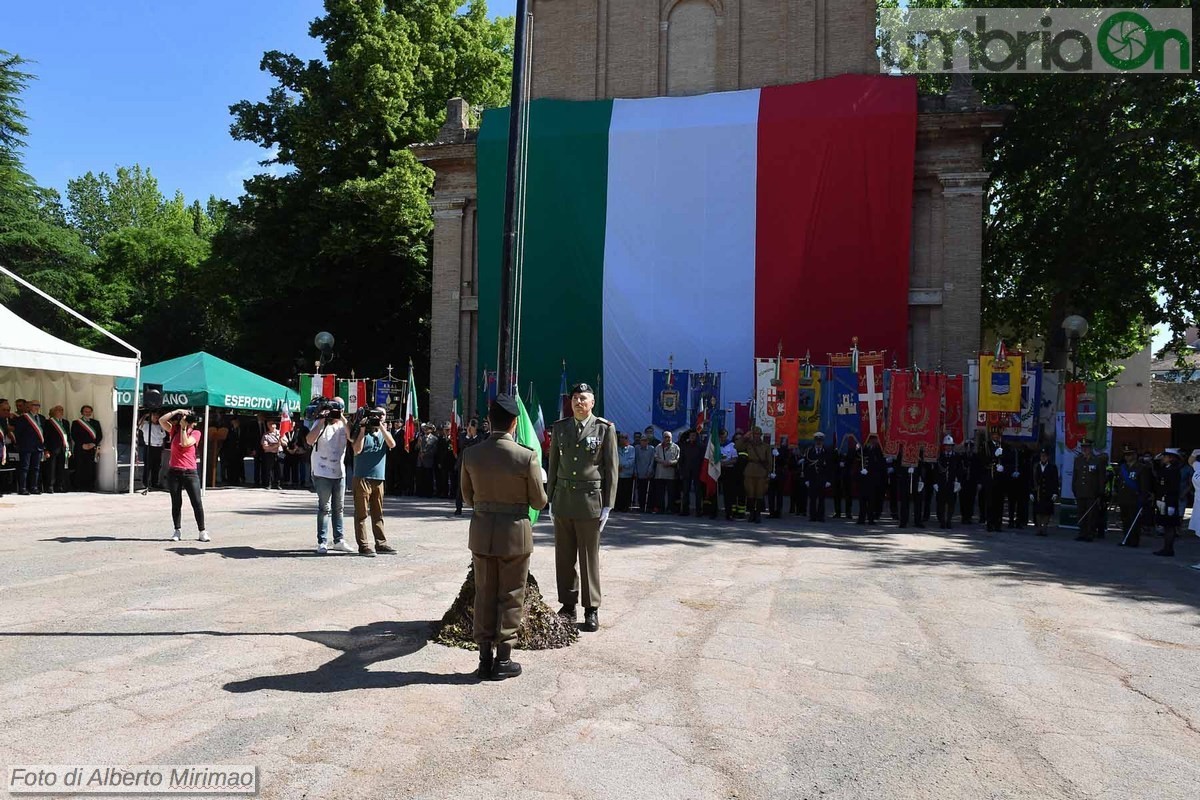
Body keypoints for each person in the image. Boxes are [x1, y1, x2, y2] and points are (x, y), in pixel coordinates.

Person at [461, 395, 549, 680]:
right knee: (511, 595)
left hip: (483, 532)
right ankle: (504, 659)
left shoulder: (471, 454)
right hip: (515, 534)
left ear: (489, 421)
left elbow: (467, 497)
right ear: (515, 423)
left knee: (484, 592)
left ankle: (484, 658)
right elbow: (539, 502)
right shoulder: (526, 456)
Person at [547, 383, 617, 633]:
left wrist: (608, 504)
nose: (578, 402)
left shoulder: (604, 428)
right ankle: (567, 605)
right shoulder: (560, 428)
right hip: (564, 499)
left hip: (590, 502)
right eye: (575, 398)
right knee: (564, 558)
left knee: (589, 558)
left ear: (592, 402)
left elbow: (611, 469)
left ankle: (591, 609)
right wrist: (550, 498)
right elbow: (553, 463)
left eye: (583, 399)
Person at [306, 398, 355, 554]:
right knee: (324, 508)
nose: (334, 411)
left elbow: (352, 437)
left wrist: (341, 416)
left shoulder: (343, 424)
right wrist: (321, 418)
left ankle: (339, 540)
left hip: (339, 472)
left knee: (339, 508)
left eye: (339, 407)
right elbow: (309, 440)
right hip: (321, 472)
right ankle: (322, 541)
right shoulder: (320, 423)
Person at [351, 407, 397, 557]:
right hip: (362, 477)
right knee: (361, 514)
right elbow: (357, 450)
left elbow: (392, 444)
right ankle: (363, 545)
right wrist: (363, 430)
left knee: (378, 513)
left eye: (382, 415)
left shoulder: (384, 432)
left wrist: (381, 427)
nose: (380, 417)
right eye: (377, 415)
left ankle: (381, 543)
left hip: (378, 478)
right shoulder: (362, 431)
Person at [159, 409, 208, 542]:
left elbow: (185, 443)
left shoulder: (196, 433)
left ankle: (202, 531)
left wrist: (183, 428)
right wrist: (177, 411)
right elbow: (161, 420)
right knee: (176, 503)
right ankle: (177, 530)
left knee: (197, 502)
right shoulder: (174, 430)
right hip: (174, 471)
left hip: (190, 472)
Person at [1115, 444, 1150, 547]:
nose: (1127, 457)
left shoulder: (1141, 468)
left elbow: (1144, 485)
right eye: (1125, 455)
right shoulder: (1123, 467)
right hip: (1123, 497)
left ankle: (1134, 541)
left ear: (1135, 455)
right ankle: (1126, 538)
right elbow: (1119, 482)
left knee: (1134, 520)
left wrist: (1143, 498)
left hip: (1135, 498)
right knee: (1125, 520)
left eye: (1129, 454)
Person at [1072, 438, 1106, 542]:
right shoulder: (1078, 460)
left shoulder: (1097, 460)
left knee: (1091, 515)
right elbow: (1075, 476)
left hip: (1092, 492)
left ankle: (1090, 533)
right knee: (1081, 513)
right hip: (1080, 491)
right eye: (1083, 447)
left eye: (1086, 447)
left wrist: (1100, 492)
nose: (1084, 449)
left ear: (1091, 448)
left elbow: (1101, 478)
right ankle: (1082, 533)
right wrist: (1074, 489)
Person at [1153, 448, 1183, 557]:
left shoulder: (1174, 470)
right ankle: (1166, 548)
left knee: (1170, 526)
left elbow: (1174, 488)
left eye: (1165, 456)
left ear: (1171, 458)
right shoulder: (1165, 468)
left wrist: (1170, 503)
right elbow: (1156, 468)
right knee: (1165, 525)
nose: (1163, 458)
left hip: (1169, 501)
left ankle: (1169, 549)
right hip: (1162, 500)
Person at [983, 430, 1013, 533]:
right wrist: (994, 456)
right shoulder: (986, 446)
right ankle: (990, 523)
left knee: (999, 502)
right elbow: (983, 461)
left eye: (998, 435)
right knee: (990, 502)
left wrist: (1004, 467)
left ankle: (998, 524)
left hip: (1001, 479)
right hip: (991, 478)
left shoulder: (1005, 446)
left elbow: (1009, 461)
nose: (996, 436)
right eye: (994, 435)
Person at [14, 399, 45, 495]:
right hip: (26, 447)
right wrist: (20, 444)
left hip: (38, 447)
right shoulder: (23, 418)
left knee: (36, 468)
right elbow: (18, 433)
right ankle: (23, 488)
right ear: (29, 406)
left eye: (38, 405)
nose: (36, 407)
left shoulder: (42, 418)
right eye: (34, 405)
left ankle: (34, 487)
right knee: (24, 468)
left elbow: (44, 433)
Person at [740, 426, 771, 524]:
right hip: (750, 470)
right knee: (750, 494)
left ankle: (758, 515)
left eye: (758, 434)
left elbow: (769, 461)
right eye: (755, 434)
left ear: (761, 435)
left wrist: (769, 473)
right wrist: (744, 438)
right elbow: (737, 447)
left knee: (759, 494)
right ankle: (751, 514)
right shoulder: (748, 444)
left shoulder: (766, 446)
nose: (756, 436)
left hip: (761, 471)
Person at [455, 418, 484, 515]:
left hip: (475, 465)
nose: (471, 428)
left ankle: (475, 508)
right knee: (460, 486)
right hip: (462, 464)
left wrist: (474, 434)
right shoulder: (463, 435)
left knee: (475, 486)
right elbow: (461, 445)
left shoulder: (480, 436)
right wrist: (468, 435)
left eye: (473, 426)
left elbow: (479, 446)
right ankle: (458, 508)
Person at [70, 405, 103, 491]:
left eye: (89, 412)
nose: (88, 413)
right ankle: (78, 486)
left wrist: (93, 444)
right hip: (80, 449)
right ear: (82, 413)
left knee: (91, 468)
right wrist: (82, 445)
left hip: (92, 448)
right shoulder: (76, 423)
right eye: (86, 411)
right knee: (79, 467)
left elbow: (99, 435)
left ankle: (90, 486)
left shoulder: (96, 423)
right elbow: (74, 435)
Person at [856, 433, 886, 525]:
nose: (874, 441)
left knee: (872, 500)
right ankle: (861, 518)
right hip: (863, 478)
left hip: (872, 478)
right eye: (872, 439)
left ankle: (871, 519)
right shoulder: (863, 449)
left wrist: (869, 470)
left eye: (875, 439)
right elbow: (858, 458)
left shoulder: (879, 450)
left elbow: (880, 464)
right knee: (862, 499)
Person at [933, 436, 962, 529]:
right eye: (947, 445)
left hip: (952, 483)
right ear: (944, 446)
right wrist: (935, 482)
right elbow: (936, 471)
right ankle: (942, 520)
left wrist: (959, 482)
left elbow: (959, 470)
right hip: (941, 484)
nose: (948, 447)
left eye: (950, 445)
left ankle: (949, 520)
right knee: (940, 503)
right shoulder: (940, 457)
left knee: (951, 503)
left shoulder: (957, 457)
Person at [41, 405, 71, 494]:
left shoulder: (66, 422)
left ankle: (59, 485)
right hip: (52, 449)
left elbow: (68, 436)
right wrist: (45, 449)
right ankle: (50, 486)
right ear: (53, 412)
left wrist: (69, 450)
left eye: (62, 410)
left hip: (63, 448)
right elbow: (45, 436)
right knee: (51, 468)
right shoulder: (48, 422)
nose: (61, 412)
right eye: (58, 410)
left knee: (62, 468)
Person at [1031, 446, 1059, 536]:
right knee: (1038, 511)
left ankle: (1045, 528)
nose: (1043, 457)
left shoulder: (1052, 467)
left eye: (1045, 456)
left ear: (1048, 457)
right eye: (1042, 455)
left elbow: (1055, 481)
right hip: (1038, 492)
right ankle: (1039, 528)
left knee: (1047, 511)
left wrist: (1055, 492)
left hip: (1048, 492)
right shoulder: (1035, 466)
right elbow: (1031, 480)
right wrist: (1031, 492)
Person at [805, 432, 833, 521]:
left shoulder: (827, 451)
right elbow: (806, 466)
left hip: (822, 479)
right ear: (814, 441)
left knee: (821, 499)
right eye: (817, 440)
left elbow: (830, 467)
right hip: (812, 478)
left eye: (820, 440)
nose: (818, 442)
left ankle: (821, 516)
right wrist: (806, 479)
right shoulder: (810, 451)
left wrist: (829, 480)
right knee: (812, 499)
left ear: (823, 441)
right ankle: (812, 516)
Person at [652, 430, 680, 516]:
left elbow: (678, 459)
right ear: (662, 438)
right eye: (665, 437)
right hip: (660, 474)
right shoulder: (658, 447)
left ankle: (670, 509)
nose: (667, 439)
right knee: (660, 493)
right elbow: (655, 457)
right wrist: (663, 461)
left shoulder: (676, 447)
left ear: (671, 438)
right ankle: (661, 508)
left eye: (669, 437)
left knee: (671, 493)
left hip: (670, 474)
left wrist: (670, 463)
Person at [137, 411, 166, 491]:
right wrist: (145, 415)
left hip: (158, 447)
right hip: (149, 446)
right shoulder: (146, 424)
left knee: (156, 466)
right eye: (154, 416)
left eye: (157, 416)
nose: (156, 417)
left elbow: (163, 437)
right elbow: (139, 424)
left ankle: (154, 483)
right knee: (148, 466)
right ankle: (145, 483)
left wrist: (162, 447)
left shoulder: (161, 426)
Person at [678, 429, 704, 516]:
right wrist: (681, 471)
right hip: (686, 471)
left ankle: (698, 511)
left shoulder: (701, 446)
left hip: (697, 472)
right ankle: (685, 510)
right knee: (685, 491)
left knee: (698, 492)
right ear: (688, 437)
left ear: (697, 437)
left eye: (694, 435)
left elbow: (703, 460)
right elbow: (681, 459)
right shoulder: (685, 445)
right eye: (691, 435)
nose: (692, 437)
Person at [834, 434, 859, 519]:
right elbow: (832, 461)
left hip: (847, 474)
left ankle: (848, 512)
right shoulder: (836, 449)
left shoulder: (852, 449)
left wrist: (846, 464)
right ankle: (837, 512)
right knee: (837, 494)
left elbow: (853, 460)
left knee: (848, 494)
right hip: (838, 474)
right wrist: (838, 464)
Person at [633, 432, 656, 512]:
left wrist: (649, 471)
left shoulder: (651, 448)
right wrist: (635, 471)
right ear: (640, 441)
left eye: (645, 440)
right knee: (640, 491)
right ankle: (641, 506)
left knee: (648, 491)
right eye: (642, 440)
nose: (644, 442)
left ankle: (648, 507)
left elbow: (652, 461)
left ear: (648, 441)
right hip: (639, 472)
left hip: (648, 473)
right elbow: (635, 460)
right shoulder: (636, 448)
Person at [959, 440, 980, 524]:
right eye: (967, 447)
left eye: (970, 447)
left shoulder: (976, 457)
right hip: (963, 481)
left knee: (971, 499)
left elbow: (979, 470)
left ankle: (969, 516)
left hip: (972, 481)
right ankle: (964, 516)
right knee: (963, 499)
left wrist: (979, 482)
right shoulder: (962, 457)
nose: (969, 449)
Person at [260, 420, 283, 490]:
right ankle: (268, 484)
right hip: (269, 454)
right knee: (269, 470)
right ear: (268, 426)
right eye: (270, 424)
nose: (272, 425)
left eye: (273, 423)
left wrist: (281, 441)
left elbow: (285, 442)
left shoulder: (280, 433)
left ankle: (278, 484)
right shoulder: (266, 435)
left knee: (278, 470)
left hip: (278, 454)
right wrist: (275, 445)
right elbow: (265, 447)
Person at [616, 432, 635, 512]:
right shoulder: (616, 448)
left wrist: (622, 465)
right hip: (618, 473)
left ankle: (625, 507)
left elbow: (631, 460)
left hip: (627, 474)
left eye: (625, 438)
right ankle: (617, 507)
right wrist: (617, 466)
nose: (623, 439)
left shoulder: (631, 449)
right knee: (618, 491)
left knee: (626, 492)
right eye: (621, 437)